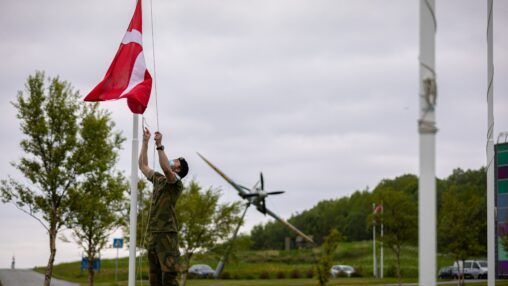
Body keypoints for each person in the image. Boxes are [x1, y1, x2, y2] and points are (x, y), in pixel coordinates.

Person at [139, 127, 189, 286]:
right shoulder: (159, 179)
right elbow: (143, 165)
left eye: (175, 161)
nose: (171, 160)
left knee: (169, 278)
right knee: (154, 278)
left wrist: (160, 146)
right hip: (154, 234)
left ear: (178, 169)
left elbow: (167, 169)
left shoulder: (176, 183)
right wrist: (145, 142)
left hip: (167, 235)